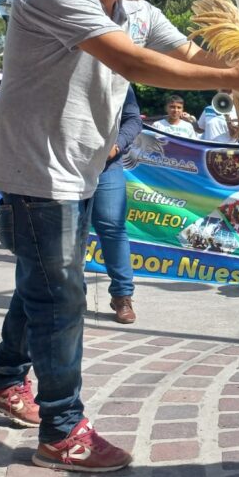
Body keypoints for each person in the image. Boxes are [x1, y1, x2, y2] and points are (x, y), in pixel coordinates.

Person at [0, 0, 239, 474]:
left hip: (81, 168)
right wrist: (232, 78)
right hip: (38, 173)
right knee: (60, 294)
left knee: (44, 280)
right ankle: (62, 429)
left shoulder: (139, 11)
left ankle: (0, 379)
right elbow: (136, 65)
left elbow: (192, 52)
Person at [92, 85, 143, 324]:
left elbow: (133, 120)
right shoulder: (65, 66)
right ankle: (71, 294)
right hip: (67, 165)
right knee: (70, 231)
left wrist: (116, 146)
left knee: (113, 228)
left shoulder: (118, 76)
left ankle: (122, 296)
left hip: (108, 166)